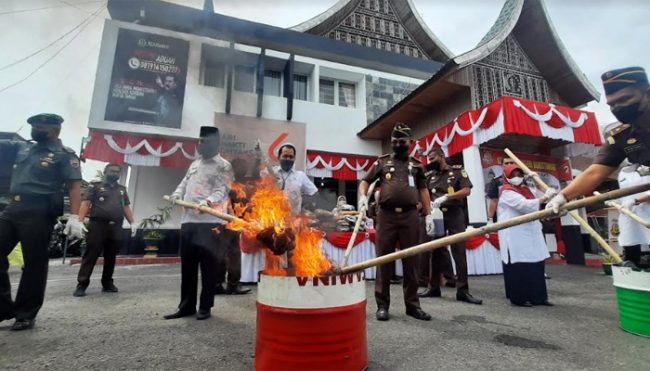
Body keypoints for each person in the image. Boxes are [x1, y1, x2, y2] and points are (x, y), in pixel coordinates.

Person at [0, 113, 84, 331]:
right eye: (34, 127)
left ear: (56, 130)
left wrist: (75, 217)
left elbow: (74, 186)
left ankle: (25, 313)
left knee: (34, 263)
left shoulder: (65, 155)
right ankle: (3, 307)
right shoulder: (22, 148)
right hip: (13, 207)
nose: (35, 130)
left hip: (40, 210)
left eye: (40, 128)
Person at [547, 67, 650, 214]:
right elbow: (595, 172)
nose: (618, 108)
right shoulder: (622, 136)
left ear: (647, 94)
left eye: (625, 99)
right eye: (612, 104)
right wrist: (563, 196)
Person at [358, 123, 433, 321]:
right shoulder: (381, 162)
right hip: (386, 216)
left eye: (401, 142)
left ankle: (412, 305)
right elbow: (365, 181)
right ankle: (382, 305)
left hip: (410, 216)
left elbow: (423, 189)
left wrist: (429, 212)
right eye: (394, 142)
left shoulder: (417, 165)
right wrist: (362, 196)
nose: (397, 144)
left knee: (412, 261)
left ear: (410, 143)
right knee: (384, 260)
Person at [165, 126, 232, 320]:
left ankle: (205, 306)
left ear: (216, 143)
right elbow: (184, 183)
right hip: (188, 221)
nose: (202, 144)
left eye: (207, 141)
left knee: (209, 267)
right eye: (200, 140)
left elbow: (222, 190)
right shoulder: (194, 164)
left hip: (210, 222)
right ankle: (186, 306)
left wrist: (208, 202)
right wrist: (176, 194)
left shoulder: (224, 166)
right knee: (188, 265)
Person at [418, 148, 482, 304]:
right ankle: (434, 287)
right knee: (436, 250)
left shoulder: (458, 171)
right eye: (429, 159)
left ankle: (463, 290)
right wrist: (427, 209)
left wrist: (447, 196)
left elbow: (466, 191)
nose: (430, 161)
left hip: (454, 214)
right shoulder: (429, 175)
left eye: (433, 158)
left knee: (459, 251)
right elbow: (423, 193)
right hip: (437, 216)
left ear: (442, 156)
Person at [73, 163, 136, 297]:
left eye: (118, 172)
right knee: (91, 255)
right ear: (105, 172)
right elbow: (86, 203)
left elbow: (126, 207)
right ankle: (82, 284)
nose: (115, 173)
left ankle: (107, 283)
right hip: (97, 226)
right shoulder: (95, 186)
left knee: (111, 256)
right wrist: (80, 220)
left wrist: (132, 222)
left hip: (116, 227)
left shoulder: (122, 189)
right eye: (112, 171)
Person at [497, 164, 553, 307]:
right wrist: (544, 198)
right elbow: (525, 206)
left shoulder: (528, 189)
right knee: (520, 266)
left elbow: (545, 196)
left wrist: (538, 181)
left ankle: (539, 297)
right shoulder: (506, 192)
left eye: (519, 175)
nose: (516, 178)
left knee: (536, 264)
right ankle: (520, 298)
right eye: (513, 175)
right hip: (515, 234)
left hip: (532, 233)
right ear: (507, 177)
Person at [215, 158, 252, 295]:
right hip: (223, 222)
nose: (245, 170)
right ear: (234, 168)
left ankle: (233, 285)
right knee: (221, 254)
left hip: (235, 224)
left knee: (235, 254)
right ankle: (218, 284)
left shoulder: (240, 184)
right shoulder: (227, 182)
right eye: (242, 166)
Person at [608, 162, 650, 266]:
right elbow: (623, 191)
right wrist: (616, 200)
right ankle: (632, 268)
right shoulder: (623, 172)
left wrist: (636, 201)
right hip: (628, 213)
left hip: (647, 212)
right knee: (630, 240)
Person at [273, 143, 318, 215]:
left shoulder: (300, 176)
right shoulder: (270, 173)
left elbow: (314, 192)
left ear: (294, 159)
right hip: (272, 220)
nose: (288, 159)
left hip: (294, 222)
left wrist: (304, 207)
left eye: (291, 157)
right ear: (278, 157)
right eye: (285, 156)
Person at [486, 157, 515, 223]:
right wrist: (490, 219)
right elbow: (494, 201)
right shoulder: (496, 181)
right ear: (502, 165)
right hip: (504, 215)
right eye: (507, 163)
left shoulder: (522, 179)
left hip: (521, 214)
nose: (509, 165)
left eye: (511, 163)